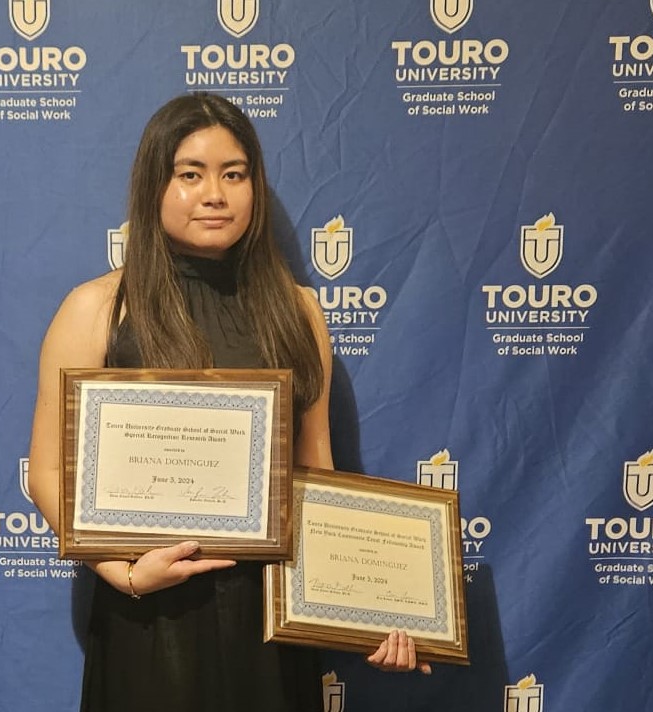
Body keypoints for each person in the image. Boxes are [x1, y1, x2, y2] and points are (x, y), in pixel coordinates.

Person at [28, 92, 430, 712]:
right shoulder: (97, 308)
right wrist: (124, 573)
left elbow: (317, 479)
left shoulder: (298, 311)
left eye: (233, 174)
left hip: (270, 620)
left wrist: (372, 607)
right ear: (153, 186)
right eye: (190, 174)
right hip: (150, 625)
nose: (215, 193)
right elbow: (48, 473)